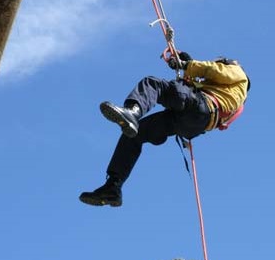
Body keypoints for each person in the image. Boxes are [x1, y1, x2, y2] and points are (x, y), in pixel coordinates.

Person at [79, 53, 250, 208]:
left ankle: (133, 111)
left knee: (154, 85)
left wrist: (186, 64)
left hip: (200, 107)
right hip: (193, 123)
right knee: (135, 135)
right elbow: (191, 87)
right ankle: (113, 186)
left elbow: (213, 70)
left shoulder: (237, 73)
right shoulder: (231, 96)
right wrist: (187, 67)